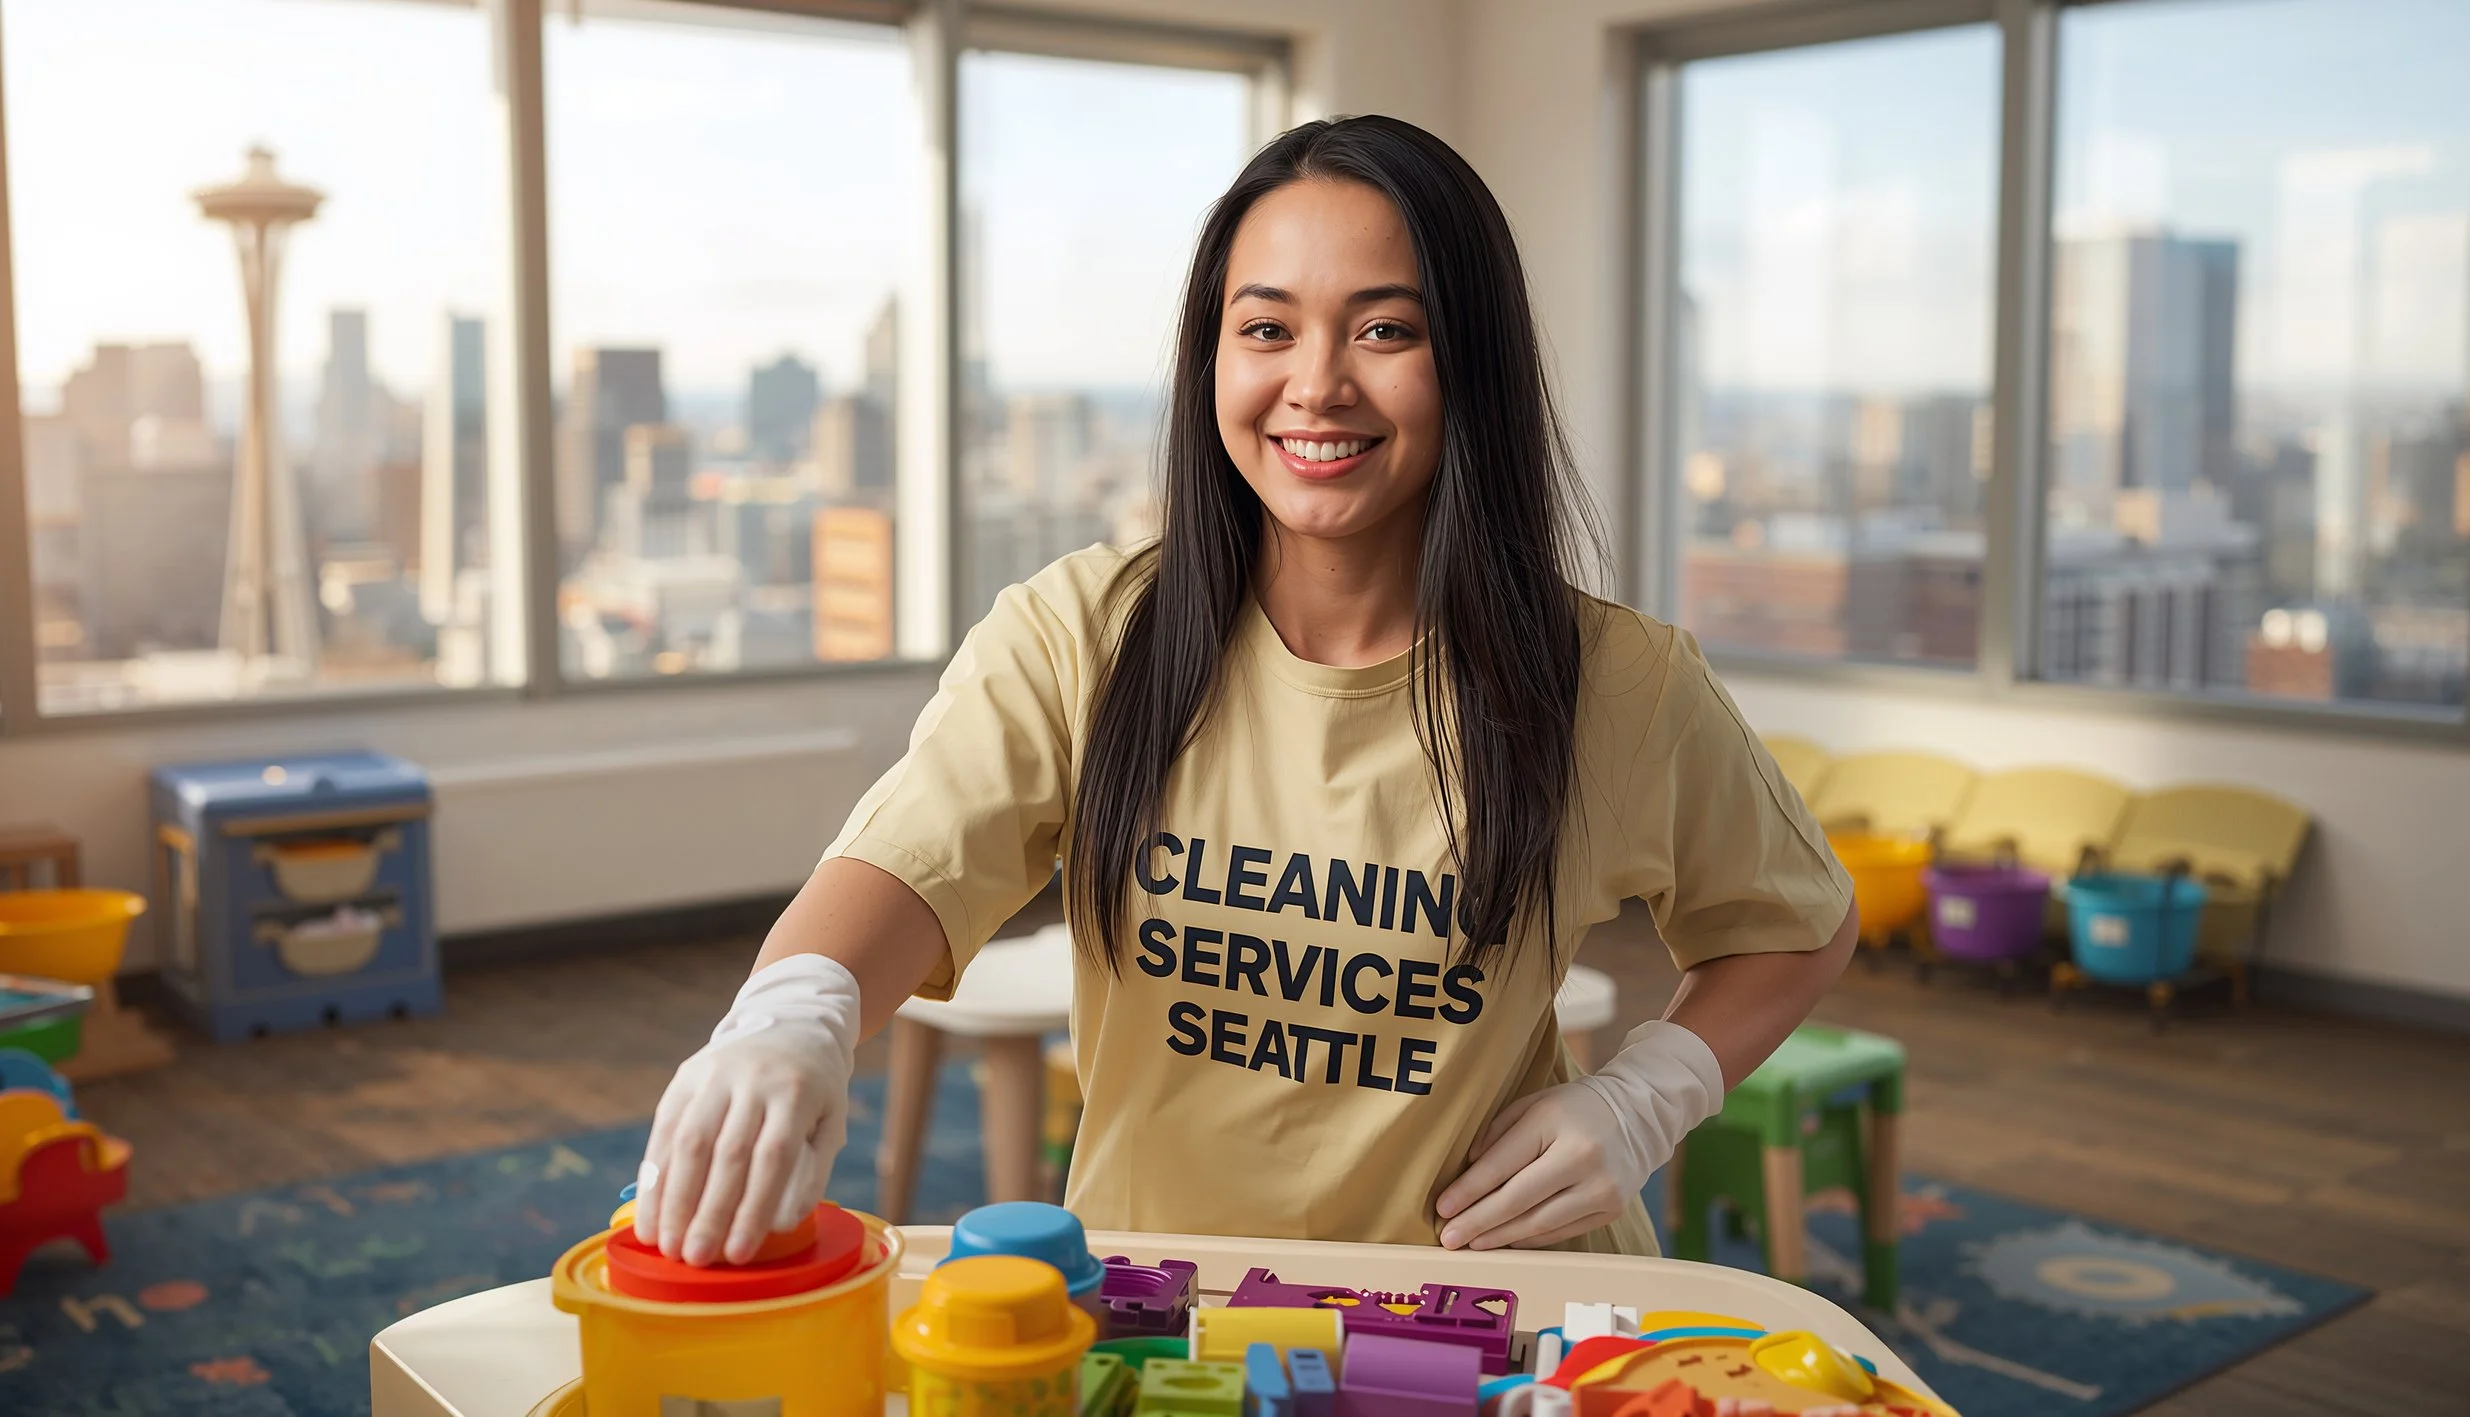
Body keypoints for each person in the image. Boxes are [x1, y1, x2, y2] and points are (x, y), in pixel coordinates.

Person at [635, 114, 1857, 1269]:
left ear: (1472, 361)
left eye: (1386, 330)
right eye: (1266, 329)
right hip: (1158, 1308)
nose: (1316, 384)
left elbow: (1798, 922)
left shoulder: (1616, 683)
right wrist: (793, 1015)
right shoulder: (1083, 633)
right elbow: (902, 868)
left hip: (1490, 1315)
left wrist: (1648, 1093)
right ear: (1210, 356)